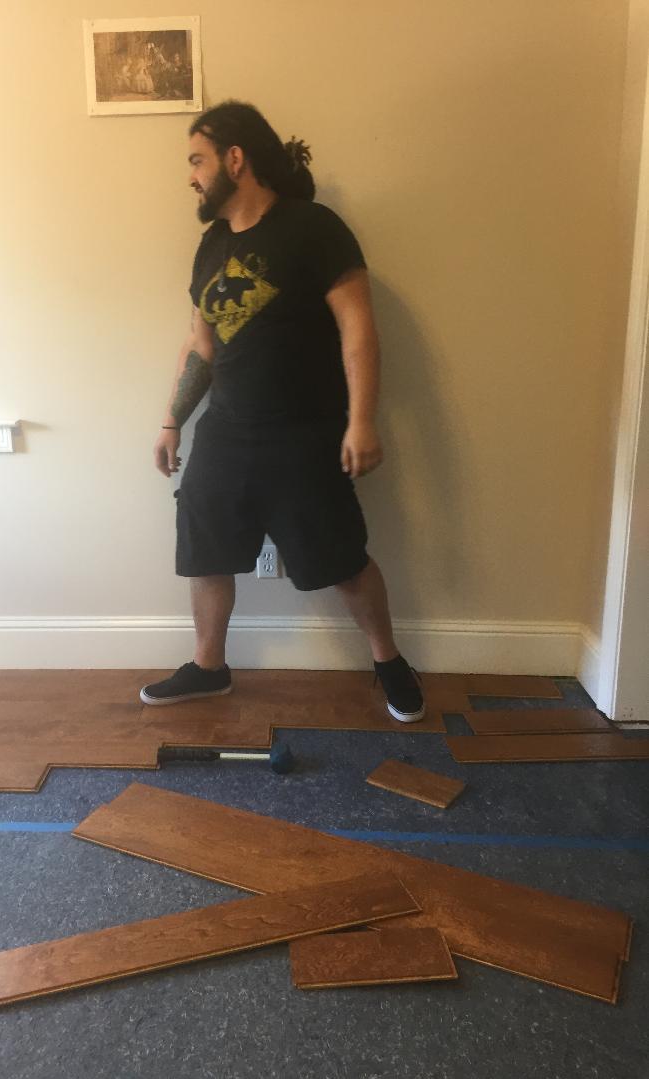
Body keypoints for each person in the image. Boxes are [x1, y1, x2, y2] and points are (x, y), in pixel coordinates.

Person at [139, 101, 425, 723]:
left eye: (197, 160)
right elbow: (201, 343)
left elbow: (358, 329)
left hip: (303, 434)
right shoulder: (212, 244)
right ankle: (209, 668)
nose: (190, 175)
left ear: (235, 159)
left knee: (342, 560)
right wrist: (171, 421)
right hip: (226, 433)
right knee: (206, 549)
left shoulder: (315, 228)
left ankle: (389, 661)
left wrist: (362, 419)